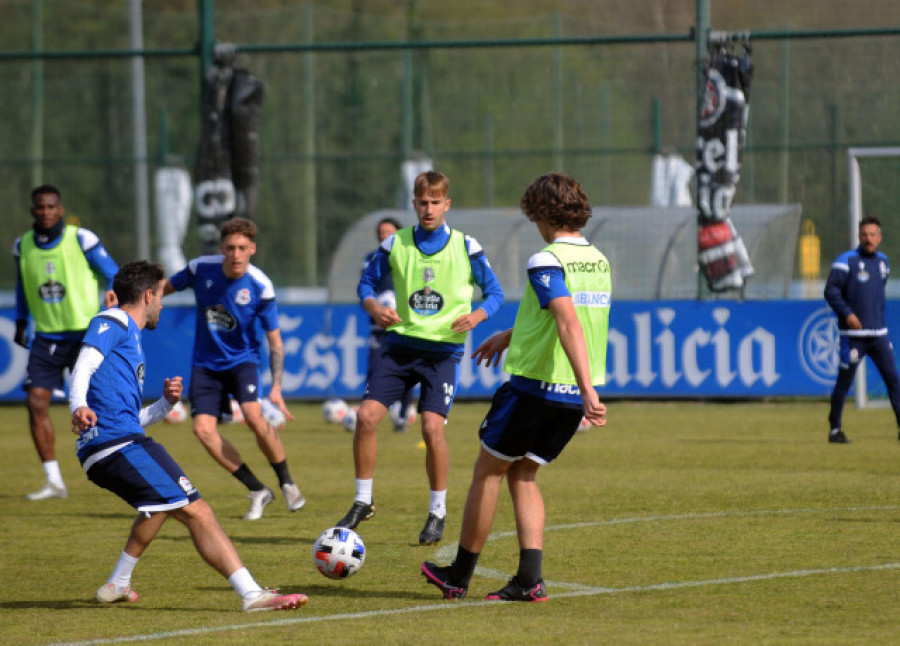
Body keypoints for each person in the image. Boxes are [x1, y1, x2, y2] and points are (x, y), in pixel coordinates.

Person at [69, 260, 307, 612]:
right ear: (148, 295)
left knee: (159, 507)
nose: (162, 305)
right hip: (116, 446)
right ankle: (252, 594)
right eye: (161, 297)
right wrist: (77, 405)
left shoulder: (129, 337)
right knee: (200, 511)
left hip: (110, 445)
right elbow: (84, 363)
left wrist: (164, 405)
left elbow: (131, 418)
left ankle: (118, 583)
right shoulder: (113, 320)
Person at [421, 172, 609, 601]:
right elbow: (558, 315)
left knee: (487, 472)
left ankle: (458, 575)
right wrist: (510, 336)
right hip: (568, 398)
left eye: (533, 215)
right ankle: (529, 579)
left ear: (543, 212)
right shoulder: (598, 259)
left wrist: (587, 390)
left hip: (538, 388)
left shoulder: (547, 258)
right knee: (524, 474)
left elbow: (567, 321)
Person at [335, 170, 504, 545]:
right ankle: (363, 501)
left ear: (448, 204)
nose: (428, 209)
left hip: (442, 354)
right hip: (399, 349)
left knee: (431, 428)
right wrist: (373, 308)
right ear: (414, 204)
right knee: (365, 417)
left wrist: (477, 315)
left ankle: (437, 511)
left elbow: (495, 293)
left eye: (436, 202)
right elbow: (365, 284)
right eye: (422, 202)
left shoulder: (466, 246)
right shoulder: (395, 244)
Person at [164, 217, 304, 520]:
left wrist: (277, 387)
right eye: (230, 248)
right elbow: (165, 287)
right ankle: (257, 489)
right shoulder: (200, 269)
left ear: (252, 248)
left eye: (242, 248)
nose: (236, 254)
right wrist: (135, 302)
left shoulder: (260, 285)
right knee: (202, 430)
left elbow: (275, 342)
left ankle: (287, 482)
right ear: (222, 248)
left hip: (243, 361)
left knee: (254, 416)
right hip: (205, 364)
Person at [13, 184, 119, 501]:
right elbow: (22, 287)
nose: (45, 212)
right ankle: (54, 481)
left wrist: (114, 293)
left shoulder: (81, 239)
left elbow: (113, 274)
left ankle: (119, 467)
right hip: (46, 337)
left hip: (85, 334)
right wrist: (21, 321)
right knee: (35, 403)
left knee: (106, 404)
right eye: (40, 207)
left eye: (51, 207)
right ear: (33, 211)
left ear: (60, 209)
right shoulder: (22, 246)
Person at [824, 215, 900, 444]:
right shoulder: (845, 261)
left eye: (872, 235)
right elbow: (831, 291)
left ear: (879, 237)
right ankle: (835, 429)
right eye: (864, 235)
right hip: (853, 337)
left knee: (893, 380)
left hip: (878, 335)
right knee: (844, 383)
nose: (868, 239)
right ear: (859, 236)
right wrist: (847, 313)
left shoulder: (883, 262)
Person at [362, 216, 416, 432]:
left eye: (389, 232)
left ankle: (403, 415)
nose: (384, 236)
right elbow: (364, 289)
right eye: (381, 233)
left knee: (406, 370)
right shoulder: (370, 259)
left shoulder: (409, 257)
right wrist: (376, 308)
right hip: (379, 325)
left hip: (404, 325)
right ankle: (370, 415)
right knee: (375, 369)